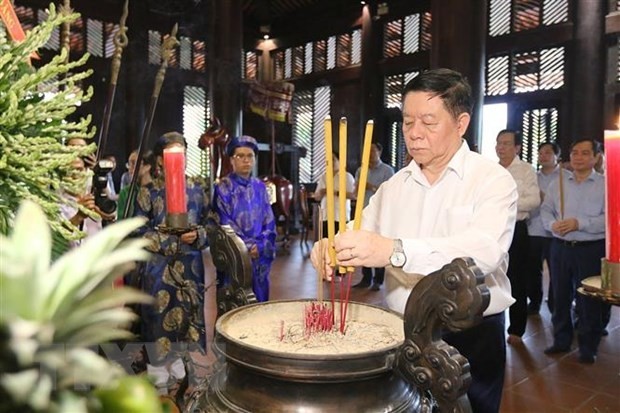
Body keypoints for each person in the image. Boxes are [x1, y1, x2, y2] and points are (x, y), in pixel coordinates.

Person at [311, 68, 518, 413]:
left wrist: (394, 251)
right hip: (403, 328)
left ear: (461, 123)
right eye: (408, 122)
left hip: (469, 334)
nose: (415, 134)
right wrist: (333, 248)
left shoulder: (491, 179)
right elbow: (357, 230)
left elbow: (485, 252)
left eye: (428, 122)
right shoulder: (394, 187)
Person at [133, 131, 210, 393]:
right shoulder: (148, 193)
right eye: (171, 154)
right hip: (158, 267)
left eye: (182, 153)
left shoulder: (198, 190)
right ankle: (156, 369)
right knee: (157, 315)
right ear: (158, 160)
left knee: (187, 313)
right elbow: (137, 232)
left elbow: (210, 225)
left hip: (190, 266)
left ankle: (180, 362)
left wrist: (197, 235)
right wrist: (169, 238)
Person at [540, 138, 606, 364]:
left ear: (596, 157)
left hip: (590, 248)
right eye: (575, 152)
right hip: (560, 247)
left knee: (588, 300)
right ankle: (561, 340)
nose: (578, 157)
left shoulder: (605, 184)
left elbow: (610, 219)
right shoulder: (558, 182)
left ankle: (588, 346)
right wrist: (551, 225)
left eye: (585, 153)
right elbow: (546, 210)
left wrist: (580, 223)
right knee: (559, 296)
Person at [212, 135, 276, 302]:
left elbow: (269, 221)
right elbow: (224, 222)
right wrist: (246, 246)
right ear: (232, 160)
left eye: (250, 156)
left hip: (259, 256)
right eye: (240, 156)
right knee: (236, 303)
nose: (246, 160)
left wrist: (261, 245)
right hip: (235, 255)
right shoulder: (223, 187)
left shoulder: (261, 187)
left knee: (259, 303)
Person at [495, 129, 540, 345]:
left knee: (516, 279)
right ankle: (492, 324)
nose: (500, 148)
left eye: (505, 143)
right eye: (498, 143)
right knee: (491, 276)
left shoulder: (526, 170)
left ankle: (516, 328)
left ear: (517, 147)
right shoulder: (490, 171)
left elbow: (533, 201)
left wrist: (506, 204)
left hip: (516, 229)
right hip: (493, 230)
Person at [353, 142, 394, 290]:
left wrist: (371, 186)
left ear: (379, 152)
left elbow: (390, 194)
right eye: (366, 151)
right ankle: (366, 278)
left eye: (372, 151)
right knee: (362, 245)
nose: (369, 154)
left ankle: (378, 279)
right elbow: (356, 191)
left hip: (381, 214)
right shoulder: (360, 170)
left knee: (378, 245)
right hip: (363, 212)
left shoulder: (387, 171)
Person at [526, 141, 561, 315]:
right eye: (540, 153)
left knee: (556, 271)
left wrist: (543, 197)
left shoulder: (565, 177)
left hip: (556, 232)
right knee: (533, 270)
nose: (543, 156)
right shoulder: (532, 176)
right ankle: (534, 301)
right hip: (534, 229)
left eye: (548, 152)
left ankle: (555, 305)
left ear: (557, 156)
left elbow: (560, 204)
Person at [313, 152, 355, 239]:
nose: (330, 162)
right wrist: (322, 192)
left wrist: (335, 192)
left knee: (340, 242)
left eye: (333, 159)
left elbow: (353, 195)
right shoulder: (324, 177)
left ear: (340, 161)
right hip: (326, 215)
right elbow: (317, 197)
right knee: (326, 242)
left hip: (340, 216)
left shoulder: (347, 176)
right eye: (328, 160)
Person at [117, 149, 154, 220]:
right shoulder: (125, 192)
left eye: (134, 163)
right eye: (129, 164)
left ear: (147, 166)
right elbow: (121, 221)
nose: (130, 168)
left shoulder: (157, 191)